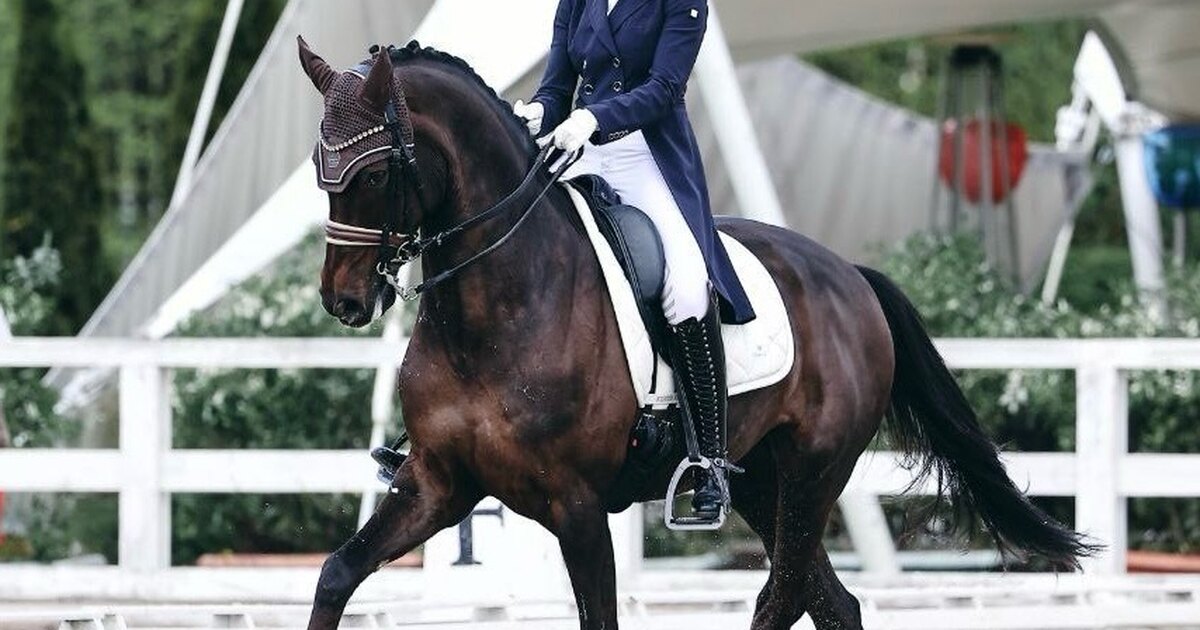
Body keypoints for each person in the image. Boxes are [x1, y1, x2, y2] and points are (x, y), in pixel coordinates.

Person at [513, 0, 755, 524]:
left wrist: (593, 116)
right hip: (579, 149)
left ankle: (710, 462)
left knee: (686, 288)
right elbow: (557, 86)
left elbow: (665, 88)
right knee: (504, 242)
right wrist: (539, 112)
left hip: (647, 155)